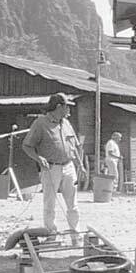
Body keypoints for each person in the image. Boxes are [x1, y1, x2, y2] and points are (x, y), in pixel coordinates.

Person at [22, 93, 82, 245]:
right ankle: (51, 235)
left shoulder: (66, 123)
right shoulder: (40, 123)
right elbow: (27, 146)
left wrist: (80, 164)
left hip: (68, 167)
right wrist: (38, 158)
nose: (69, 110)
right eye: (67, 106)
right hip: (51, 168)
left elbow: (74, 146)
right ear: (59, 107)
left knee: (73, 204)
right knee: (50, 204)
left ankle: (75, 236)